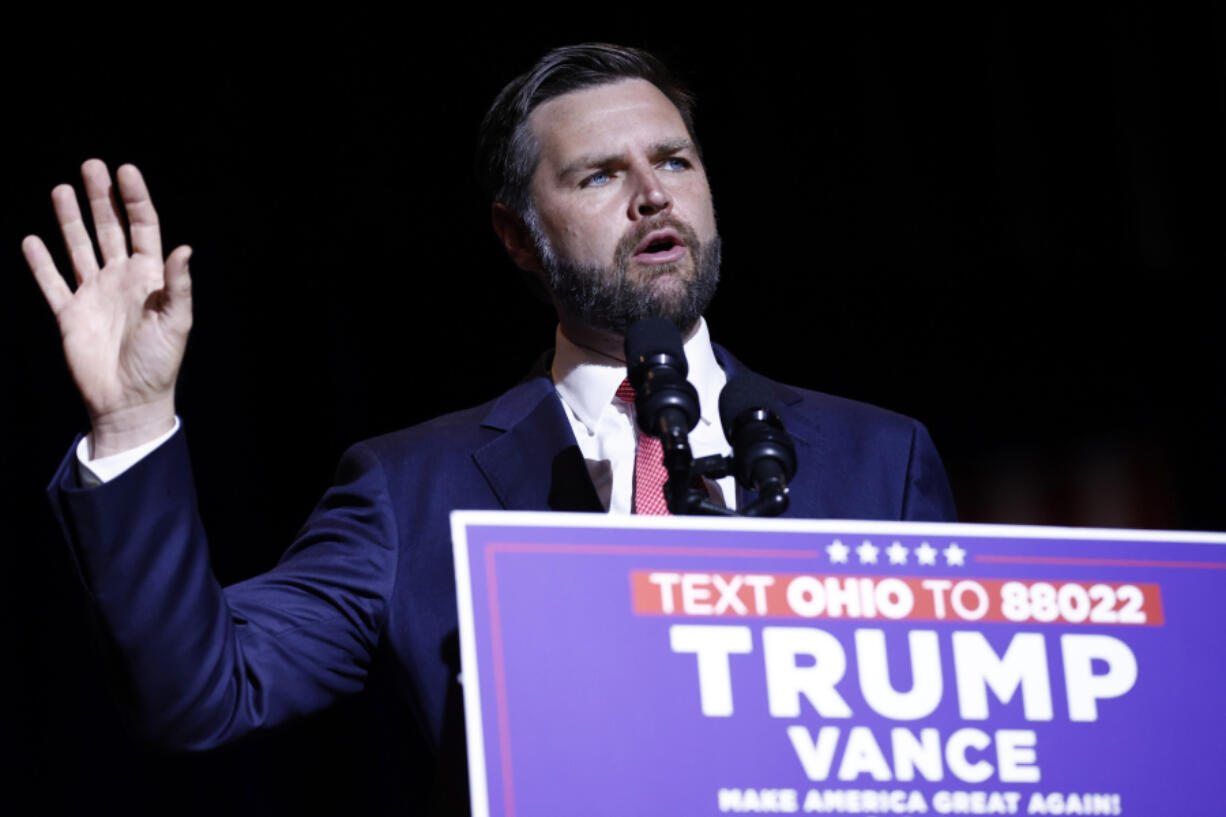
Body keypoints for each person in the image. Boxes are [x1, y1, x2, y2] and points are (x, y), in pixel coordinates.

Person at [25, 44, 955, 809]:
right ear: (519, 236)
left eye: (674, 160)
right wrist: (134, 418)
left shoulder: (881, 456)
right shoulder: (412, 488)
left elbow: (964, 741)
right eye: (600, 174)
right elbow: (200, 695)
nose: (653, 195)